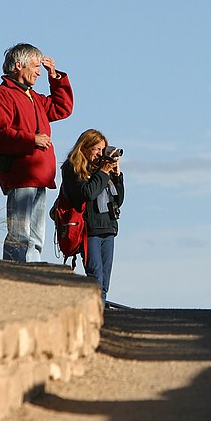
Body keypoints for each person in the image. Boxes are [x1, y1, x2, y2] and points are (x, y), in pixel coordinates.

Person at [0, 43, 74, 262]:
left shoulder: (33, 97)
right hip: (20, 175)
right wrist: (31, 139)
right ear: (18, 66)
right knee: (20, 233)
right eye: (35, 66)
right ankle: (16, 271)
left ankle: (32, 273)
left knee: (35, 235)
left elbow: (63, 108)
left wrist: (56, 77)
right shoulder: (3, 95)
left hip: (40, 175)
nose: (39, 72)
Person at [60, 129, 125, 305]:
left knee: (104, 282)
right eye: (96, 149)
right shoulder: (72, 167)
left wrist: (117, 176)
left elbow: (118, 200)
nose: (99, 154)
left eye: (102, 150)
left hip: (108, 227)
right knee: (95, 277)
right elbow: (87, 193)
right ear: (84, 147)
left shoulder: (102, 169)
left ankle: (100, 317)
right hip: (89, 229)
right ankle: (94, 316)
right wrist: (103, 173)